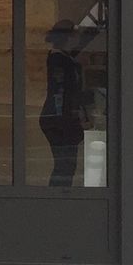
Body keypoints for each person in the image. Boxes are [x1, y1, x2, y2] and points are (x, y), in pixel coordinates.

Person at [38, 19, 94, 187]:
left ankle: (58, 196)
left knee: (65, 165)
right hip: (61, 118)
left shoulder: (62, 59)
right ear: (68, 38)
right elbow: (67, 92)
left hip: (59, 117)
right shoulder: (61, 61)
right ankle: (58, 196)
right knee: (65, 165)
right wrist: (78, 115)